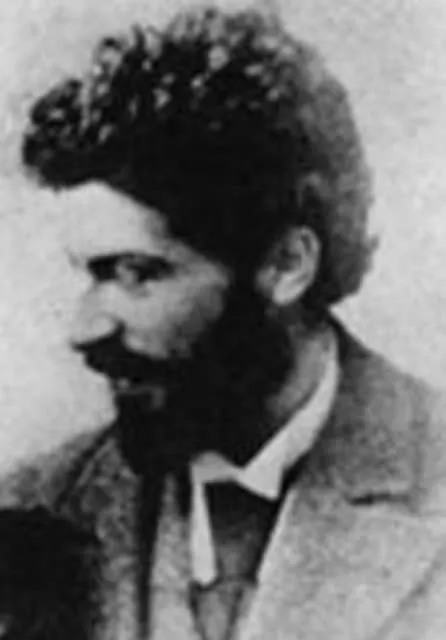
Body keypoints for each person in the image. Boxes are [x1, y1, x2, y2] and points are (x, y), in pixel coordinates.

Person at [1, 4, 446, 639]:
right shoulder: (30, 516)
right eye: (89, 274)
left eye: (136, 272)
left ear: (287, 265)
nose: (84, 328)